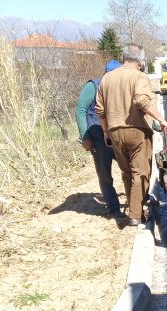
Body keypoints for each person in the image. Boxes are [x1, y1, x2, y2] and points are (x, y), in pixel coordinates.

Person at [95, 43, 167, 226]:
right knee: (141, 172)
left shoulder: (106, 79)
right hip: (136, 130)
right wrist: (161, 119)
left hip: (114, 132)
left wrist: (106, 132)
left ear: (123, 58)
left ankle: (135, 208)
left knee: (127, 172)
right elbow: (141, 100)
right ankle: (136, 215)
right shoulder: (139, 76)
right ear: (142, 62)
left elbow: (100, 109)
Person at [75, 59, 123, 218]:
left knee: (130, 171)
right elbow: (80, 110)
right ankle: (114, 209)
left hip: (118, 138)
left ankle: (138, 204)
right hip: (98, 139)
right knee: (105, 176)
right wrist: (85, 136)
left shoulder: (120, 87)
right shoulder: (93, 86)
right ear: (106, 74)